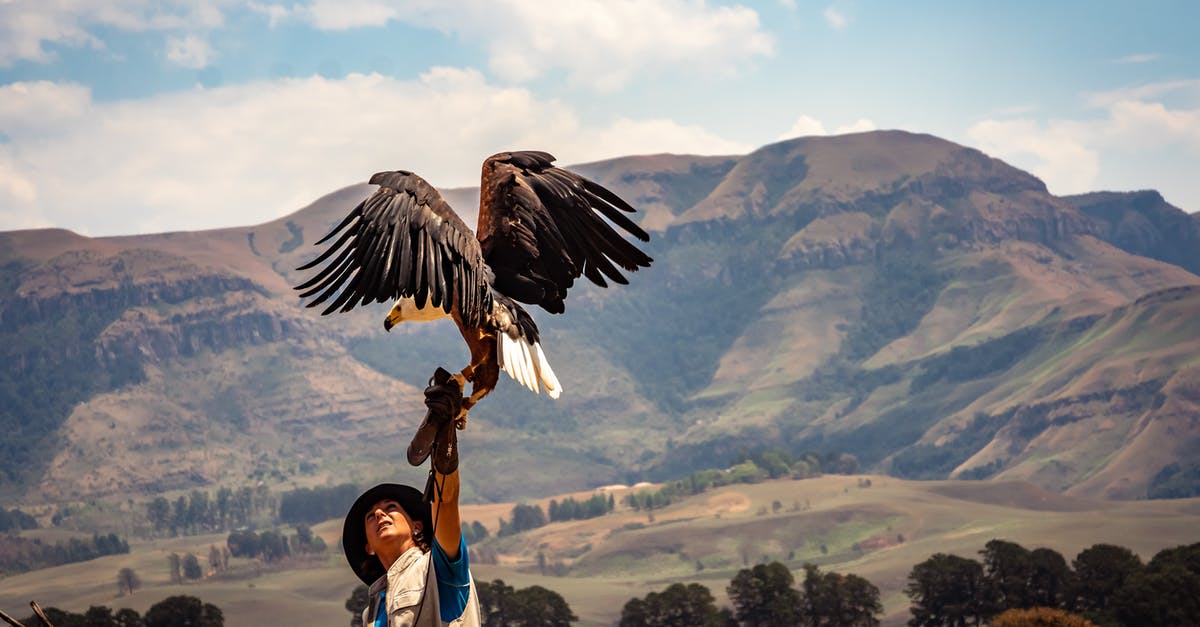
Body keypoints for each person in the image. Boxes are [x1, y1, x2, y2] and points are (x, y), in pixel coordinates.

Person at [342, 369, 481, 626]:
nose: (380, 514)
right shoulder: (371, 613)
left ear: (417, 525)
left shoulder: (438, 569)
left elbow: (446, 504)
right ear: (368, 547)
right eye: (371, 516)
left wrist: (445, 432)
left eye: (390, 507)